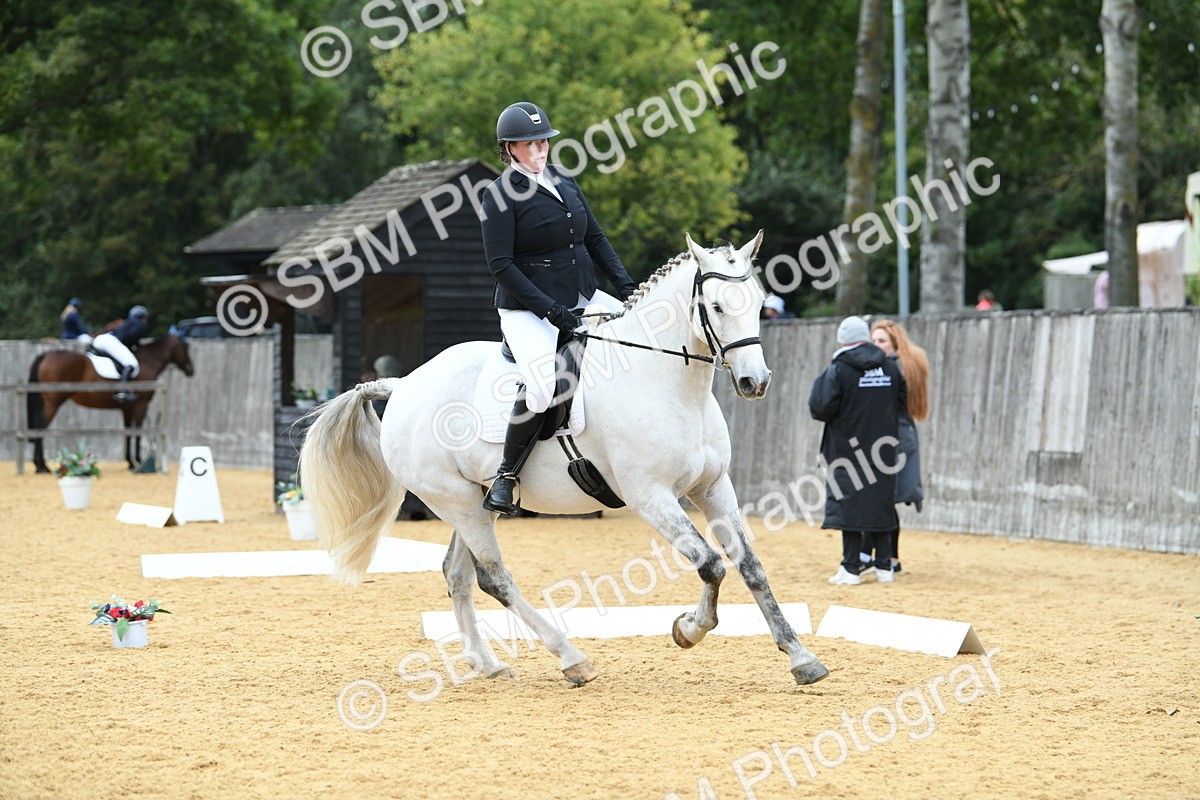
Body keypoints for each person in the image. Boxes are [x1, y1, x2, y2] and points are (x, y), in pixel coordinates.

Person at [479, 101, 637, 515]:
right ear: (509, 149)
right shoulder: (498, 195)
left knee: (640, 338)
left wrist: (627, 287)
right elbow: (501, 265)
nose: (538, 151)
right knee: (543, 386)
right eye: (528, 145)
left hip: (584, 294)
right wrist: (551, 311)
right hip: (527, 309)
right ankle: (506, 475)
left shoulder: (565, 181)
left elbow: (596, 239)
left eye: (542, 142)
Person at [808, 315, 906, 585]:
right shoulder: (891, 367)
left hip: (846, 452)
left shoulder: (839, 369)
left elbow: (820, 407)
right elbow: (902, 402)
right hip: (883, 452)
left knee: (848, 508)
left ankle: (850, 568)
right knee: (880, 506)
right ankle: (884, 567)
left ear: (843, 340)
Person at [868, 319, 929, 575]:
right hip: (896, 437)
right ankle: (888, 557)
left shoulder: (893, 368)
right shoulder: (904, 365)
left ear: (894, 343)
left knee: (883, 500)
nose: (875, 345)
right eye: (873, 340)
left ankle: (887, 557)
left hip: (893, 438)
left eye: (881, 341)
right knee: (884, 500)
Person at [92, 305, 150, 402]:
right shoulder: (139, 323)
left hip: (101, 339)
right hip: (110, 341)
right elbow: (131, 337)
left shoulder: (128, 322)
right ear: (142, 316)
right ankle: (123, 391)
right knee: (131, 364)